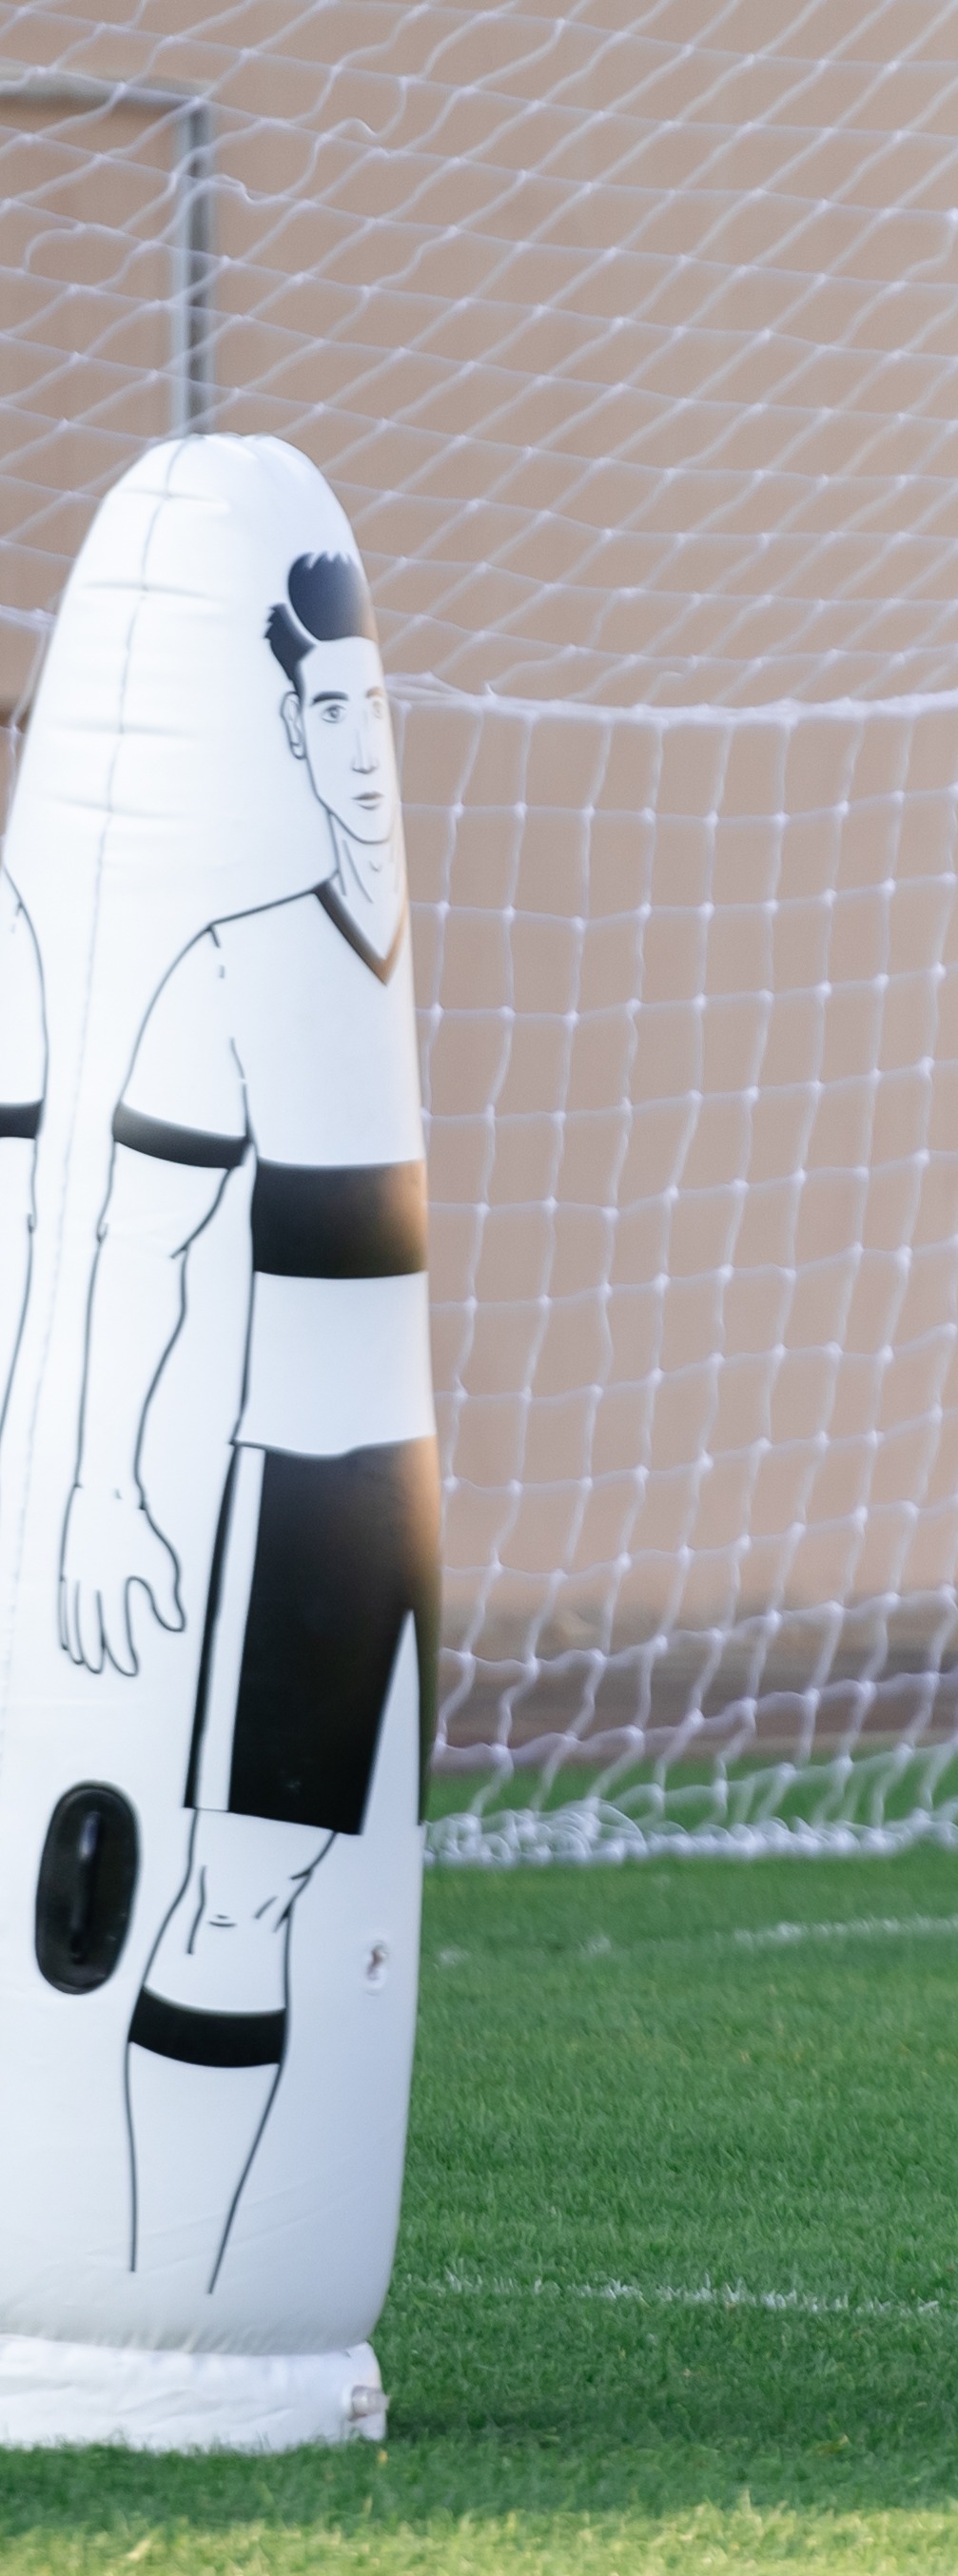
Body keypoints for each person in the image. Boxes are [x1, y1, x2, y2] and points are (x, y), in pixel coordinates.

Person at [56, 547, 437, 2293]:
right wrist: (103, 1493)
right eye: (328, 712)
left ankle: (272, 2307)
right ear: (290, 735)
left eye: (378, 710)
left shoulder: (414, 978)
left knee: (364, 1918)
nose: (359, 745)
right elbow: (136, 1245)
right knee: (240, 1889)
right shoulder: (231, 968)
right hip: (303, 1497)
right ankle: (164, 2310)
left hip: (415, 1507)